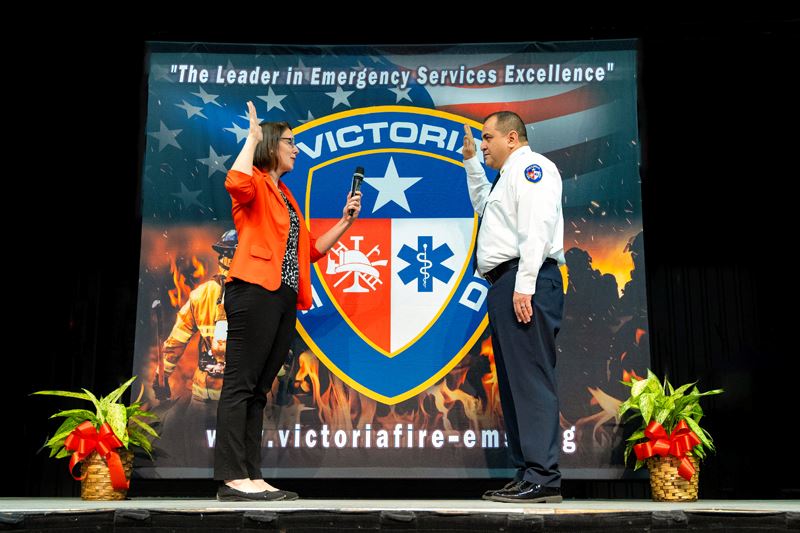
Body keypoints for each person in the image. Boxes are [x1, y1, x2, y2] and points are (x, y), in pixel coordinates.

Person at [215, 101, 361, 502]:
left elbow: (310, 250)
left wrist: (345, 223)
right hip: (254, 290)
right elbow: (234, 183)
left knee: (260, 389)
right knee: (240, 384)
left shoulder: (284, 194)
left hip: (282, 296)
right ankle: (232, 477)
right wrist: (251, 139)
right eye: (290, 143)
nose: (296, 150)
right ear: (270, 148)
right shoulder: (256, 183)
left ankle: (251, 475)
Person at [462, 112, 565, 503]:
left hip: (527, 280)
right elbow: (485, 208)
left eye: (487, 138)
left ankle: (543, 476)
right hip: (508, 283)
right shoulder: (507, 177)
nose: (483, 144)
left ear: (511, 137)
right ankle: (528, 472)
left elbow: (537, 226)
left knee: (530, 379)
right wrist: (473, 162)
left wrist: (524, 285)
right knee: (513, 383)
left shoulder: (533, 168)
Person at [149, 229, 237, 466]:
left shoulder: (200, 295)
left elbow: (174, 344)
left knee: (196, 458)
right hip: (235, 395)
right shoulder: (255, 295)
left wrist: (162, 378)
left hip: (205, 395)